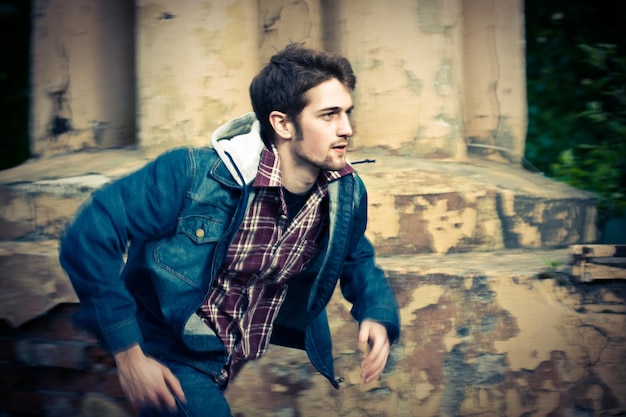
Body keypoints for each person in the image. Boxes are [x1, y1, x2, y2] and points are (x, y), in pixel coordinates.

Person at [59, 43, 400, 417]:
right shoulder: (190, 175)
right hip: (165, 350)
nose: (347, 129)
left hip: (222, 358)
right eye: (329, 115)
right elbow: (89, 235)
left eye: (347, 113)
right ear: (282, 123)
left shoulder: (343, 192)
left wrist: (375, 312)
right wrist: (128, 354)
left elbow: (355, 254)